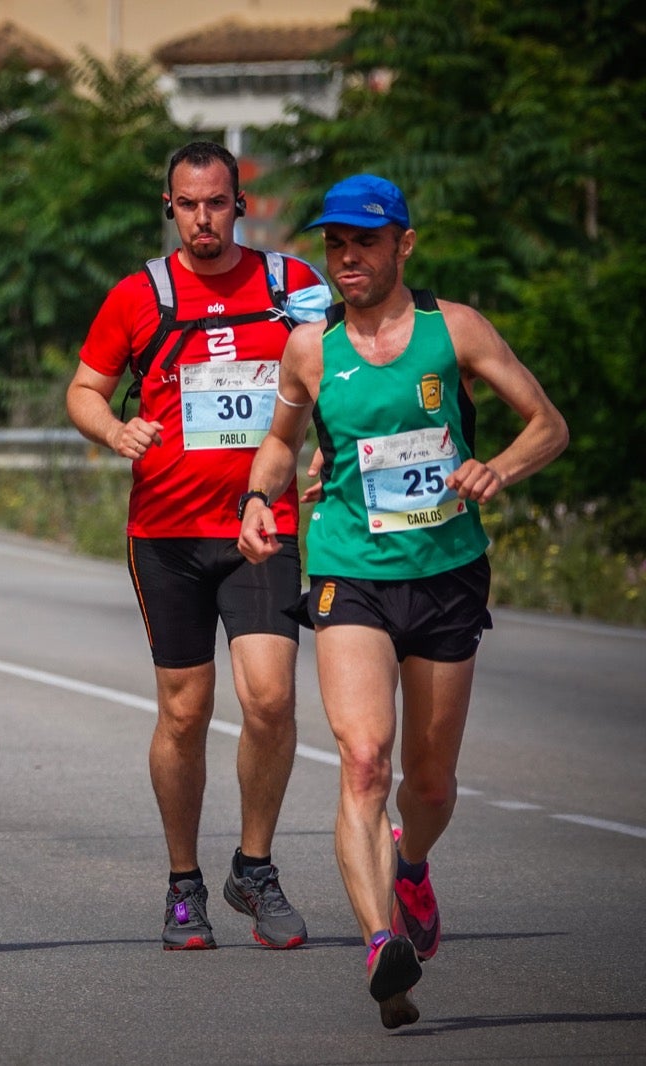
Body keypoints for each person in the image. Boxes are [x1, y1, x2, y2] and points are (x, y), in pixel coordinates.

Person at [238, 174, 567, 1027]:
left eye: (366, 242)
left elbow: (547, 424)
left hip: (449, 571)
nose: (348, 258)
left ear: (403, 245)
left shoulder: (451, 330)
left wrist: (499, 467)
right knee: (363, 761)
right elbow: (279, 445)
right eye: (336, 245)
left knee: (427, 781)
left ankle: (410, 864)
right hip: (350, 568)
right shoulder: (309, 349)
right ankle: (383, 942)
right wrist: (254, 501)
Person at [66, 141, 331, 951]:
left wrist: (331, 443)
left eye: (217, 202)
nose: (203, 218)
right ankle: (184, 882)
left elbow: (348, 368)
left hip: (262, 527)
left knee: (271, 698)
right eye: (188, 204)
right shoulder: (138, 295)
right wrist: (114, 427)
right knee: (184, 714)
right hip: (168, 535)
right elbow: (83, 387)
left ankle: (254, 866)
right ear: (169, 207)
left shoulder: (292, 287)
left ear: (239, 204)